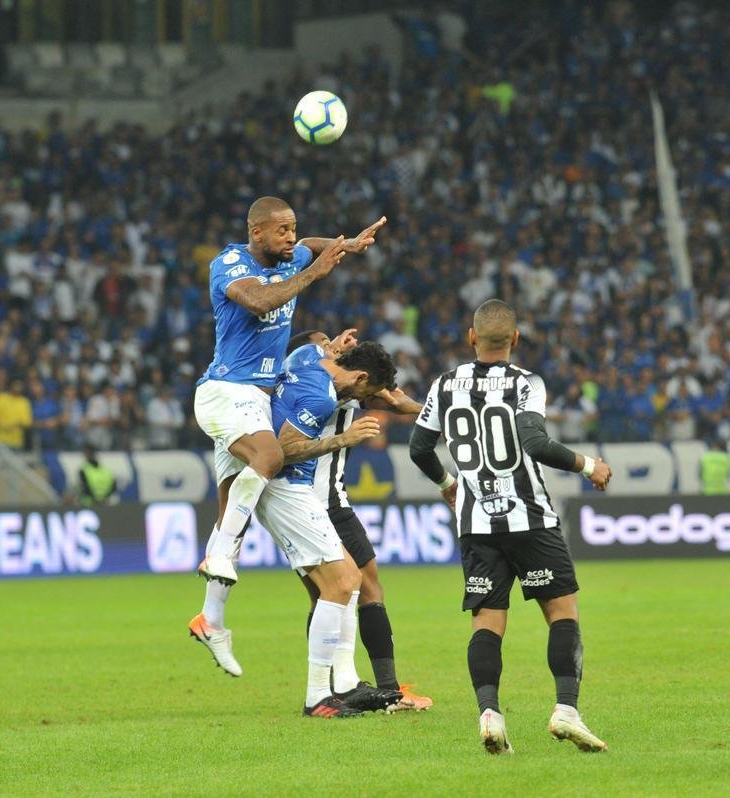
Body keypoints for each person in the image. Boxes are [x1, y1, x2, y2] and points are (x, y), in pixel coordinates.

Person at [409, 299, 613, 755]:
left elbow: (419, 448)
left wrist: (447, 485)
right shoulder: (526, 383)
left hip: (476, 523)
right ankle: (565, 709)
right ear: (515, 339)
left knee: (487, 622)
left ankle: (489, 714)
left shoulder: (443, 385)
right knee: (561, 613)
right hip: (529, 518)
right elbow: (535, 442)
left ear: (471, 337)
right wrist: (588, 465)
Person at [196, 328, 433, 711]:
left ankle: (338, 687)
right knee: (344, 582)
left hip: (281, 481)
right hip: (291, 490)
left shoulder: (304, 358)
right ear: (359, 379)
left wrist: (334, 347)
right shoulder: (321, 398)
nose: (368, 401)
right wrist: (344, 438)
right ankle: (323, 695)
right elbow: (285, 450)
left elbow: (323, 352)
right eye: (368, 392)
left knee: (344, 582)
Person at [193, 196, 386, 592]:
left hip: (260, 397)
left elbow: (308, 246)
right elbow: (259, 300)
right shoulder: (229, 265)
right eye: (282, 230)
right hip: (228, 387)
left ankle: (211, 617)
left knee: (232, 501)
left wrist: (340, 244)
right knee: (271, 456)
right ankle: (219, 553)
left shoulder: (289, 257)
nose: (291, 238)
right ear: (255, 231)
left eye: (293, 228)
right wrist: (315, 272)